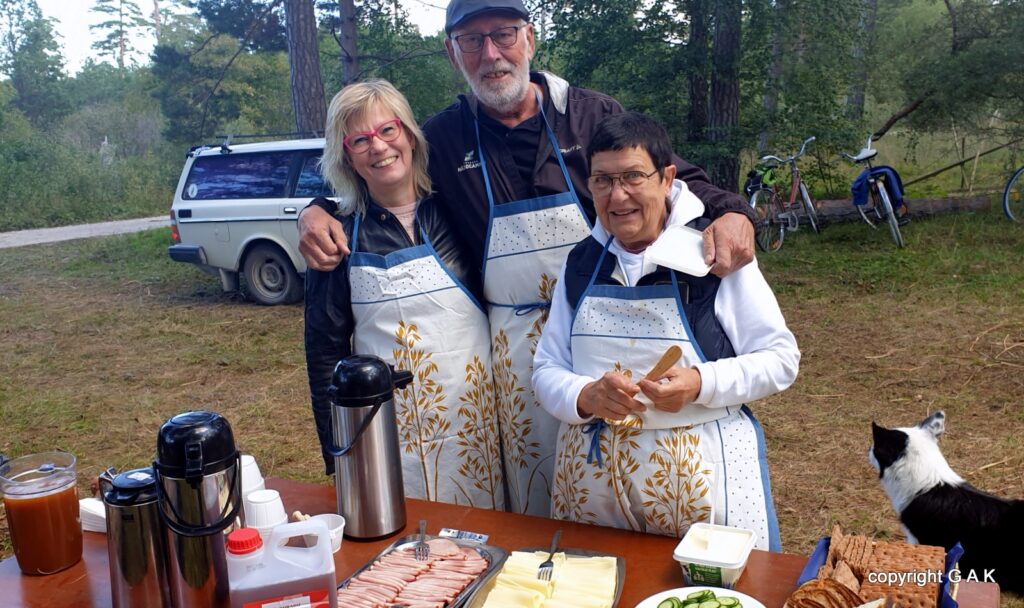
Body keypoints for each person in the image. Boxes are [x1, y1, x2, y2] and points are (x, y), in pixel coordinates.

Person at [297, 0, 757, 517]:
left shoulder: (591, 114)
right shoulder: (445, 137)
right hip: (510, 358)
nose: (491, 54)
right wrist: (315, 210)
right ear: (454, 54)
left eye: (504, 35)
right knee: (531, 491)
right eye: (472, 41)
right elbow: (374, 165)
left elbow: (667, 173)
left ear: (530, 39)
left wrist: (734, 210)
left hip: (601, 333)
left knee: (616, 479)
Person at [532, 112, 800, 550]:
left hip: (702, 485)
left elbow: (780, 358)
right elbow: (546, 368)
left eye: (633, 177)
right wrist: (585, 396)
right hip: (596, 489)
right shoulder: (582, 261)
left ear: (667, 177)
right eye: (602, 181)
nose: (618, 196)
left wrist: (700, 383)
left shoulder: (712, 253)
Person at [304, 79, 504, 510]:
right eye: (360, 139)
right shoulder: (336, 236)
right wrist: (337, 454)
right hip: (386, 433)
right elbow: (324, 354)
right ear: (348, 157)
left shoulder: (460, 207)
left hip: (477, 426)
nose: (378, 147)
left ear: (410, 135)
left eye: (388, 130)